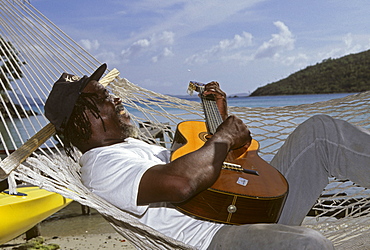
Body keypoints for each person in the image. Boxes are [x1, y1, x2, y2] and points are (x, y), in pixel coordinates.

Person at [44, 64, 370, 249]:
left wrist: (218, 124)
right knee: (308, 244)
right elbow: (181, 183)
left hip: (249, 205)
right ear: (82, 118)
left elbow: (221, 172)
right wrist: (224, 137)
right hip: (215, 236)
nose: (116, 99)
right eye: (104, 96)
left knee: (321, 133)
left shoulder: (132, 147)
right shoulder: (102, 167)